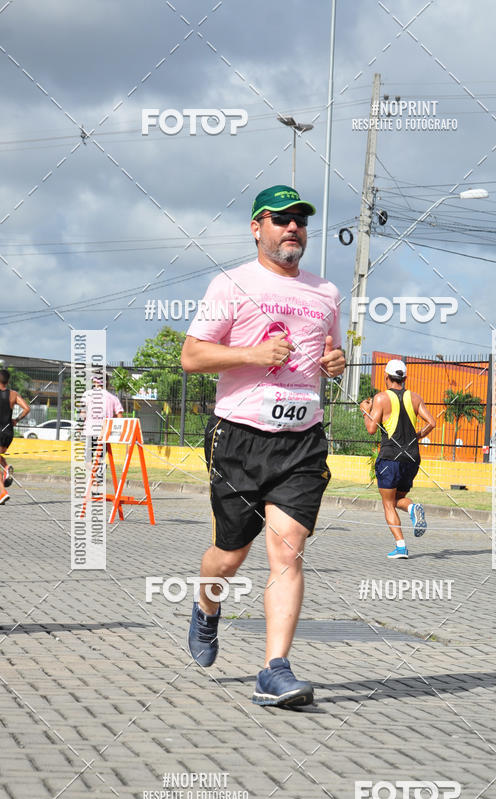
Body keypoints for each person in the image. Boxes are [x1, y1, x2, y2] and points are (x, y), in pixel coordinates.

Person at [181, 184, 345, 708]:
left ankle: (275, 670)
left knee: (287, 549)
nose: (293, 226)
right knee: (229, 557)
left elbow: (330, 353)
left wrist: (335, 362)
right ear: (257, 228)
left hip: (302, 440)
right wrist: (252, 354)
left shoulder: (326, 292)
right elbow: (192, 356)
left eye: (300, 219)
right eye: (280, 218)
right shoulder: (232, 283)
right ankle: (207, 607)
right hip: (239, 438)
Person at [360, 359, 435, 559]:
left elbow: (371, 429)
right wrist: (416, 436)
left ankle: (401, 547)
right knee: (396, 500)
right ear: (405, 378)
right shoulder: (415, 397)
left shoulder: (381, 398)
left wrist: (365, 411)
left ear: (386, 376)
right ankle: (412, 508)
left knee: (388, 503)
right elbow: (432, 423)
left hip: (389, 458)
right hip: (412, 458)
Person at [0, 369, 31, 505]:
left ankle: (3, 492)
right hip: (8, 432)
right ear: (8, 381)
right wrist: (16, 420)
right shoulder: (13, 394)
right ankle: (6, 470)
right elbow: (27, 408)